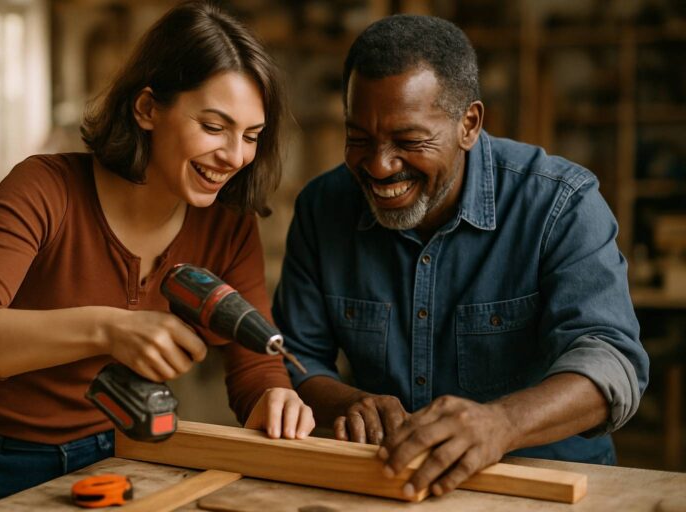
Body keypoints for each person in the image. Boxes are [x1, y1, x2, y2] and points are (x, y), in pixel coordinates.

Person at [0, 2, 313, 510]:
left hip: (120, 459)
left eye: (251, 136)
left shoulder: (228, 226)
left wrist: (273, 399)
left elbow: (255, 368)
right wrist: (108, 329)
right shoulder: (45, 188)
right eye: (215, 127)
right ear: (147, 108)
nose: (235, 156)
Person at [272, 14, 648, 500]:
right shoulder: (323, 208)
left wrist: (502, 423)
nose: (380, 165)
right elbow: (292, 357)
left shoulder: (561, 203)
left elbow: (612, 361)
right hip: (388, 484)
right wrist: (350, 402)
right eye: (359, 138)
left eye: (409, 142)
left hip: (546, 487)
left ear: (468, 124)